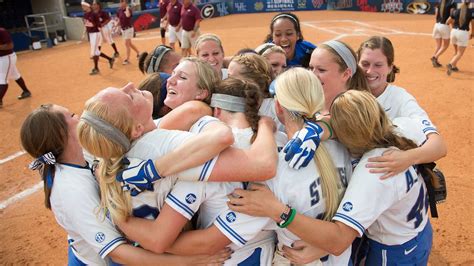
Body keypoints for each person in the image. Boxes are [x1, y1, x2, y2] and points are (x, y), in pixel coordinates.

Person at [164, 68, 352, 265]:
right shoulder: (340, 145)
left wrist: (159, 245)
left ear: (278, 106)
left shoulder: (274, 166)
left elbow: (210, 241)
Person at [228, 90, 433, 265]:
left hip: (392, 252)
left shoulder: (374, 169)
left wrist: (279, 212)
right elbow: (438, 145)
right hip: (419, 232)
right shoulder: (402, 127)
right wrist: (321, 129)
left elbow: (338, 240)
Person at [20, 104, 231, 265]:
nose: (80, 117)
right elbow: (118, 252)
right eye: (72, 116)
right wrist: (189, 262)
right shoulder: (72, 190)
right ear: (62, 135)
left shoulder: (81, 151)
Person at [116, 78, 281, 265]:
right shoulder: (279, 141)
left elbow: (161, 239)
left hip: (220, 257)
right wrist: (266, 125)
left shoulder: (196, 150)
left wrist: (119, 220)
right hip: (261, 251)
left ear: (216, 110)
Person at [357, 36, 447, 178]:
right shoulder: (348, 95)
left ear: (390, 67)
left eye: (378, 65)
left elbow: (439, 146)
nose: (369, 71)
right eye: (365, 64)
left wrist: (407, 158)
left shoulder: (400, 98)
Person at [308, 40, 370, 114]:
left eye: (321, 70)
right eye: (311, 68)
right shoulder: (305, 106)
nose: (312, 75)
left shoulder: (356, 116)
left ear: (345, 74)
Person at [0, 27, 32, 108]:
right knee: (15, 75)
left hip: (7, 57)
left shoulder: (2, 31)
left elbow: (10, 46)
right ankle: (26, 91)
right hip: (3, 58)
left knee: (3, 80)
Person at [82, 1, 114, 75]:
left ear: (88, 6)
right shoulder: (85, 15)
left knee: (94, 52)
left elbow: (99, 26)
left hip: (96, 33)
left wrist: (102, 35)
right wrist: (84, 33)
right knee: (96, 51)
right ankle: (110, 59)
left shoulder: (94, 14)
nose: (83, 7)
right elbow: (86, 24)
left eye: (84, 6)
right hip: (91, 34)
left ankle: (96, 68)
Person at [446, 0, 473, 75]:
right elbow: (473, 24)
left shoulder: (455, 11)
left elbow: (448, 21)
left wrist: (454, 28)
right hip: (463, 33)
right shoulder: (471, 11)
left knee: (456, 52)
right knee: (460, 53)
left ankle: (454, 66)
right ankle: (451, 64)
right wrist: (472, 33)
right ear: (470, 4)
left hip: (454, 32)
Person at [430, 0, 457, 67]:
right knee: (445, 45)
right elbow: (451, 16)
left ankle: (435, 60)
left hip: (436, 25)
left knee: (438, 45)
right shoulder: (452, 2)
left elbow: (436, 15)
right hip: (444, 25)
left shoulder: (439, 2)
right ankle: (435, 57)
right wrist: (453, 26)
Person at [117, 0, 139, 65]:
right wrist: (116, 26)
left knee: (127, 44)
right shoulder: (119, 10)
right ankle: (138, 53)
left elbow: (127, 15)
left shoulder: (128, 9)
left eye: (122, 1)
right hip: (123, 29)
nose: (121, 3)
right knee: (129, 44)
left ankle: (127, 59)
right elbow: (119, 20)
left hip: (129, 29)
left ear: (125, 2)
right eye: (120, 2)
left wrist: (126, 8)